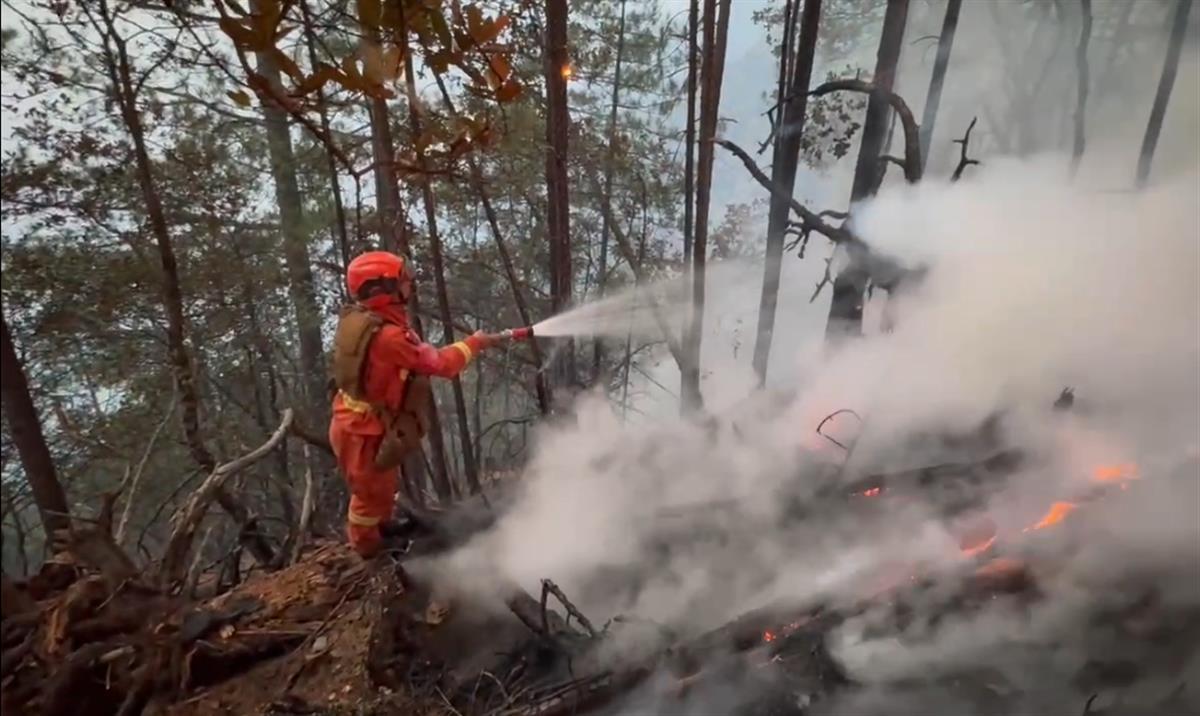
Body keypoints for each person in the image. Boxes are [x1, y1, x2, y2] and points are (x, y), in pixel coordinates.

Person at [328, 251, 500, 557]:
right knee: (371, 493)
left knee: (379, 487)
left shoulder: (366, 321)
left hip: (359, 421)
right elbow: (439, 364)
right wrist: (474, 343)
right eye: (403, 281)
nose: (409, 286)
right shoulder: (389, 338)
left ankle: (380, 527)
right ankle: (369, 549)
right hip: (363, 430)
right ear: (381, 290)